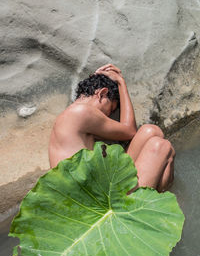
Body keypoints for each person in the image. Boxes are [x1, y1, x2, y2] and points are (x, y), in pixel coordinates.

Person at [48, 64, 175, 192]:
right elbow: (129, 131)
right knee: (161, 146)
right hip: (91, 198)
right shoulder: (81, 111)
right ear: (102, 94)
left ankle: (156, 196)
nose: (108, 115)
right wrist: (121, 83)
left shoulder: (73, 116)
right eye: (111, 109)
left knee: (151, 131)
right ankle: (152, 202)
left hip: (98, 188)